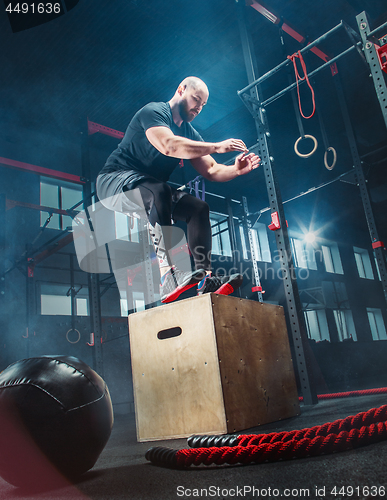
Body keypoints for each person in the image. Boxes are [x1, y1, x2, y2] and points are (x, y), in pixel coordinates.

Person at [96, 76, 260, 304]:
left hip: (149, 189)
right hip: (113, 182)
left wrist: (236, 170)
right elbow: (168, 145)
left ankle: (205, 279)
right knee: (159, 190)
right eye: (196, 99)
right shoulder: (153, 112)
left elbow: (211, 170)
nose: (199, 108)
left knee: (198, 208)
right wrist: (217, 146)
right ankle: (168, 276)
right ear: (181, 89)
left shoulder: (189, 132)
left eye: (203, 105)